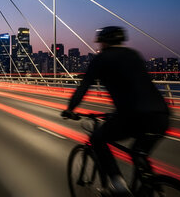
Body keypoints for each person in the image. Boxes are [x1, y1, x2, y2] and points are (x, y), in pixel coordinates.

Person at [61, 26, 170, 197]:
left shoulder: (101, 59)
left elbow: (83, 88)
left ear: (103, 42)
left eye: (101, 42)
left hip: (133, 116)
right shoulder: (134, 55)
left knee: (97, 139)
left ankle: (118, 185)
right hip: (162, 115)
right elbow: (136, 87)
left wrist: (69, 109)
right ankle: (151, 186)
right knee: (138, 153)